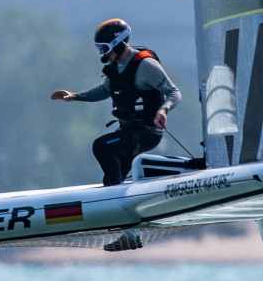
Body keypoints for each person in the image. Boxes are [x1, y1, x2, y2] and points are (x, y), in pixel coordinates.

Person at [50, 18, 181, 186]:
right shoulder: (115, 67)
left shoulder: (146, 65)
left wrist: (164, 110)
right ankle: (117, 196)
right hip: (128, 132)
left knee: (102, 146)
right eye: (99, 49)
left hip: (146, 132)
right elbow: (104, 90)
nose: (102, 54)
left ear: (118, 43)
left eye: (104, 48)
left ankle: (115, 191)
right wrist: (75, 96)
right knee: (113, 179)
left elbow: (174, 92)